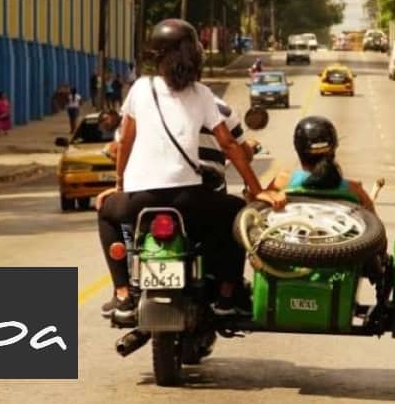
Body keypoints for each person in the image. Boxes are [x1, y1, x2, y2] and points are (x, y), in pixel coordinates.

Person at [94, 19, 282, 326]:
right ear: (195, 55)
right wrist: (257, 188)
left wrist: (118, 186)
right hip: (188, 200)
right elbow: (230, 146)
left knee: (105, 212)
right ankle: (225, 295)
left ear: (154, 55)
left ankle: (123, 294)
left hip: (138, 200)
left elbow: (125, 142)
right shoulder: (203, 94)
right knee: (236, 212)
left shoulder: (141, 88)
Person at [268, 116, 376, 213]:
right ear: (333, 150)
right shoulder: (354, 190)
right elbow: (377, 230)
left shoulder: (282, 181)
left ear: (298, 150)